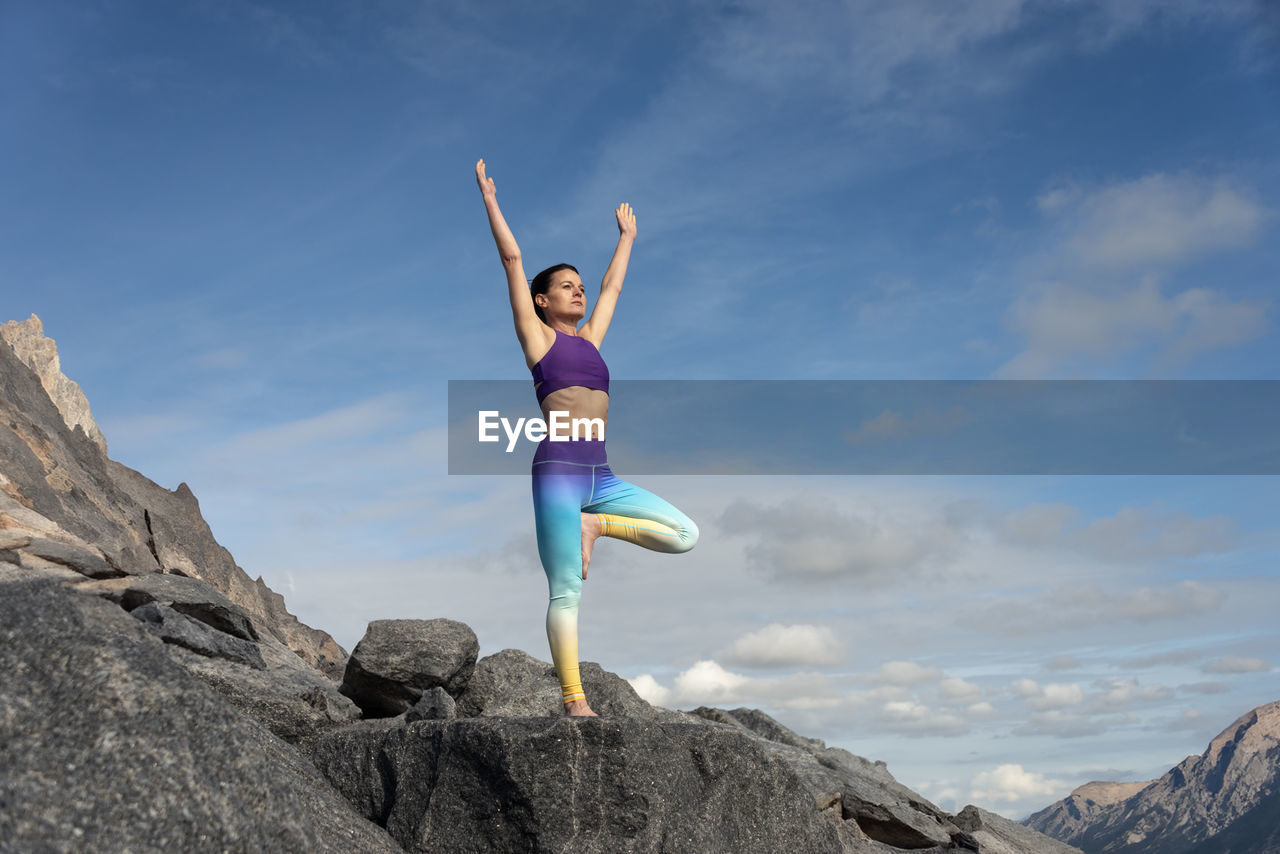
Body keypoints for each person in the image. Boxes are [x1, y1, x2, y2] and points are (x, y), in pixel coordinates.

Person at [475, 158, 699, 717]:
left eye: (579, 286)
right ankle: (576, 702)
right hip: (558, 474)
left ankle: (596, 526)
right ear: (542, 302)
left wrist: (626, 238)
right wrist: (490, 201)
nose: (577, 293)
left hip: (602, 478)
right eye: (565, 288)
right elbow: (511, 259)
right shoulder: (537, 339)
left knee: (685, 534)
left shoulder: (593, 340)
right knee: (565, 591)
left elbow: (613, 287)